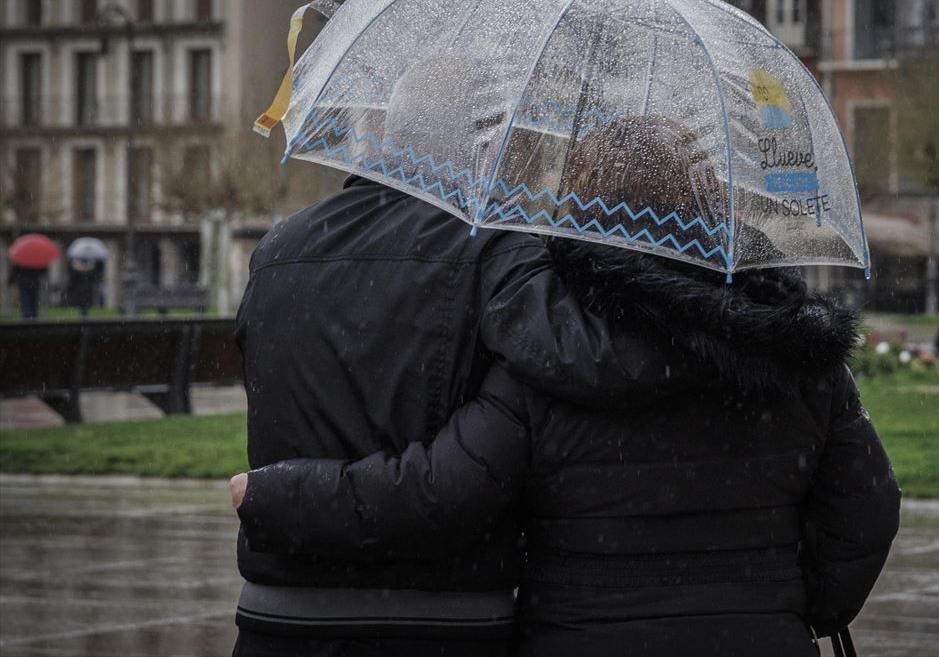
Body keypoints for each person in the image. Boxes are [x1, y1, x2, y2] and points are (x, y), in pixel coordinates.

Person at [234, 118, 902, 657]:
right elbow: (867, 506)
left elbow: (442, 493)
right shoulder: (794, 351)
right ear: (706, 205)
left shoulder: (550, 362)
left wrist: (277, 493)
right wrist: (795, 604)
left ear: (580, 213)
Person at [230, 171, 693, 657]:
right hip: (443, 620)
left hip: (279, 617)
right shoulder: (495, 247)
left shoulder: (278, 247)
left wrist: (274, 494)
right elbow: (588, 359)